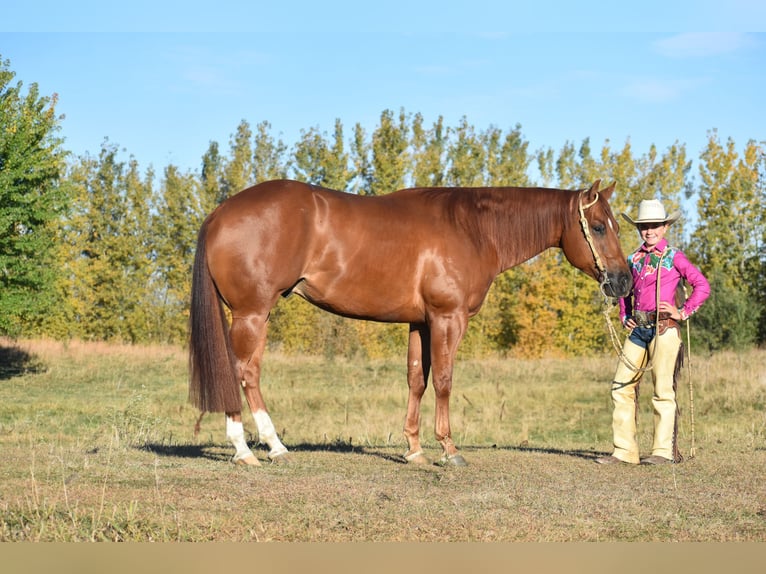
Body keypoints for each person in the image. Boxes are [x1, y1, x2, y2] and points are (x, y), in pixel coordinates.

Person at [596, 199, 710, 465]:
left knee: (662, 390)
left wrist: (682, 312)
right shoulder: (632, 259)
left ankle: (662, 452)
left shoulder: (673, 257)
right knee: (620, 386)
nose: (649, 231)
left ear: (664, 227)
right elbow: (625, 290)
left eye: (654, 226)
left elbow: (701, 285)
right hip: (638, 330)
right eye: (644, 227)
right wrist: (625, 314)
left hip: (664, 328)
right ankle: (624, 452)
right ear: (639, 229)